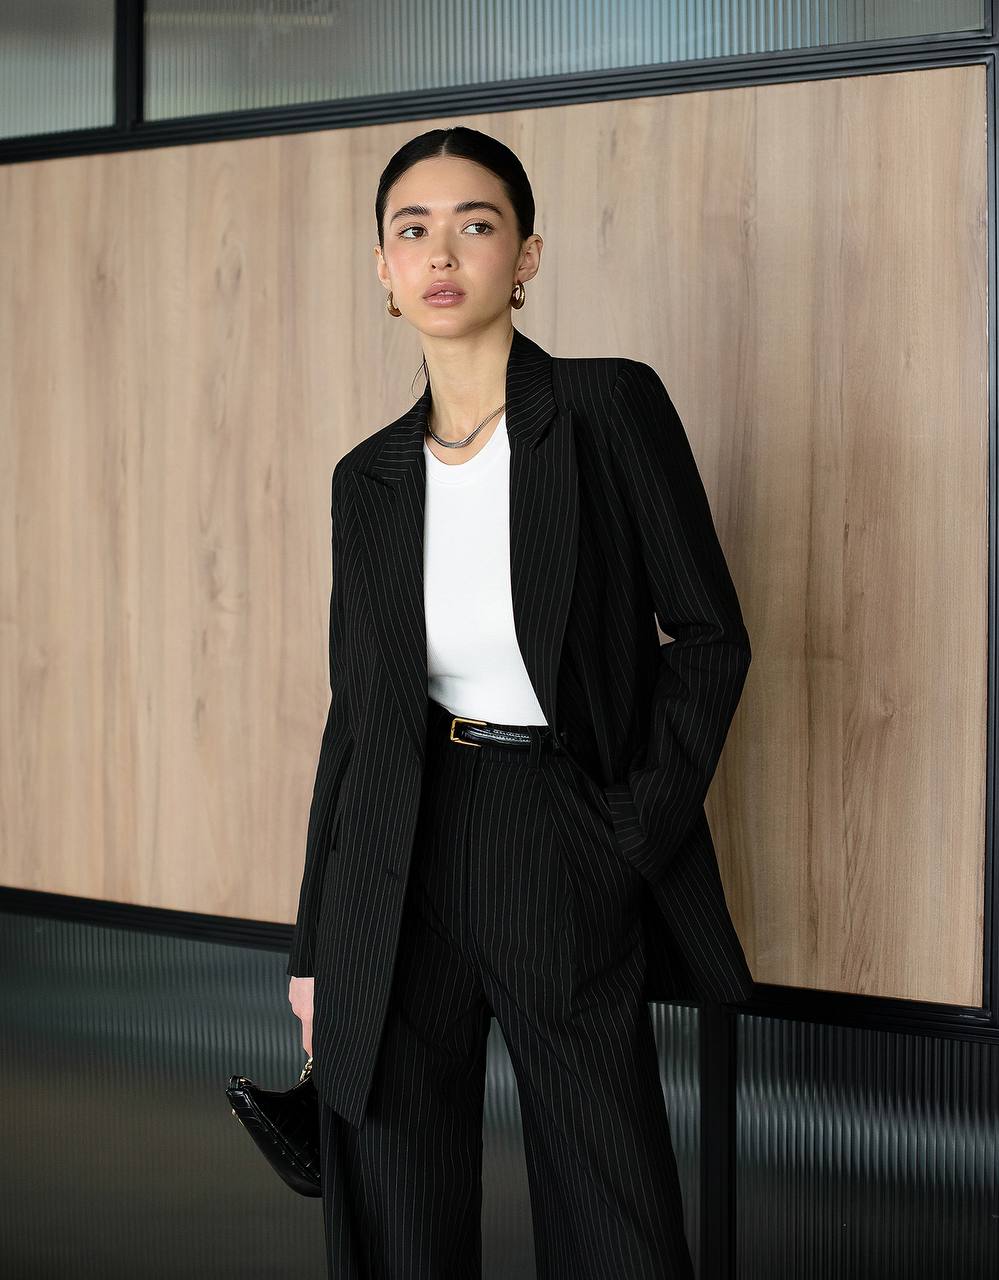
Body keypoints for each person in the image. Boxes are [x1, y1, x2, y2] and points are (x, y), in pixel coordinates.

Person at [287, 124, 752, 1279]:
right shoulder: (369, 478)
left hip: (557, 832)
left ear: (526, 256)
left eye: (475, 224)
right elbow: (357, 717)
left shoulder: (605, 410)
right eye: (412, 229)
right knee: (393, 1204)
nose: (441, 251)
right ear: (383, 272)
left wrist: (624, 834)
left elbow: (707, 637)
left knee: (612, 1208)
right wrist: (310, 946)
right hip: (393, 857)